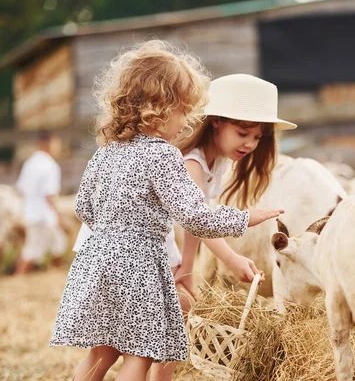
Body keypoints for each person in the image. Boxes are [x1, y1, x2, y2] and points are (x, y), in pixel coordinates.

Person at [49, 40, 283, 381]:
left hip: (95, 258)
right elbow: (194, 216)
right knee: (140, 354)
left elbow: (84, 206)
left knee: (102, 352)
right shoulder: (164, 155)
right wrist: (247, 218)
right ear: (161, 107)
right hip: (138, 263)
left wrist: (115, 227)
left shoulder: (107, 152)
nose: (186, 123)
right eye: (183, 112)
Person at [148, 73, 297, 381]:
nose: (250, 144)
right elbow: (197, 219)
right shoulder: (193, 162)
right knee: (172, 321)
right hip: (144, 247)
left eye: (257, 137)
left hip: (160, 246)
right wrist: (228, 259)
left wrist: (188, 263)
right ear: (216, 121)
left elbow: (196, 220)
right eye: (243, 132)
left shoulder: (215, 161)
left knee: (174, 321)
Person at [14, 131, 66, 275]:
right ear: (48, 144)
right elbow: (49, 194)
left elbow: (20, 189)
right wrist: (58, 214)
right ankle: (18, 277)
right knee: (34, 251)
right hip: (44, 215)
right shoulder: (49, 165)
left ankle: (57, 275)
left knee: (57, 244)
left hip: (31, 213)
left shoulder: (29, 163)